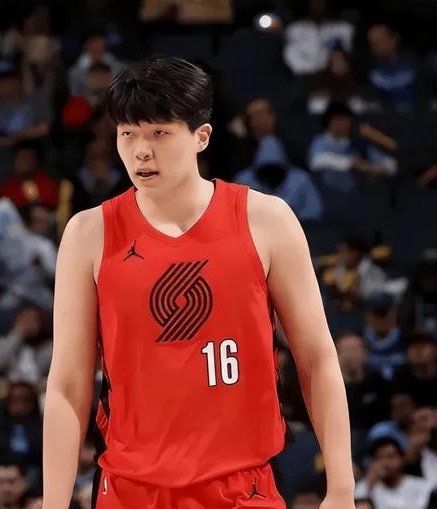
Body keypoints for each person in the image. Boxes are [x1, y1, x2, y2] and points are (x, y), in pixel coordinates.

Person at [43, 56, 354, 508]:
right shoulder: (88, 234)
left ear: (201, 136)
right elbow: (68, 385)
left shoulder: (266, 220)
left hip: (242, 487)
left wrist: (342, 488)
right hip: (130, 490)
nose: (141, 150)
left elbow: (317, 359)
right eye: (128, 133)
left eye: (159, 133)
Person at [354, 437, 432, 509]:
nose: (385, 462)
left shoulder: (419, 485)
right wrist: (369, 483)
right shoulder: (369, 485)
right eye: (379, 458)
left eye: (390, 457)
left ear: (402, 458)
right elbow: (355, 502)